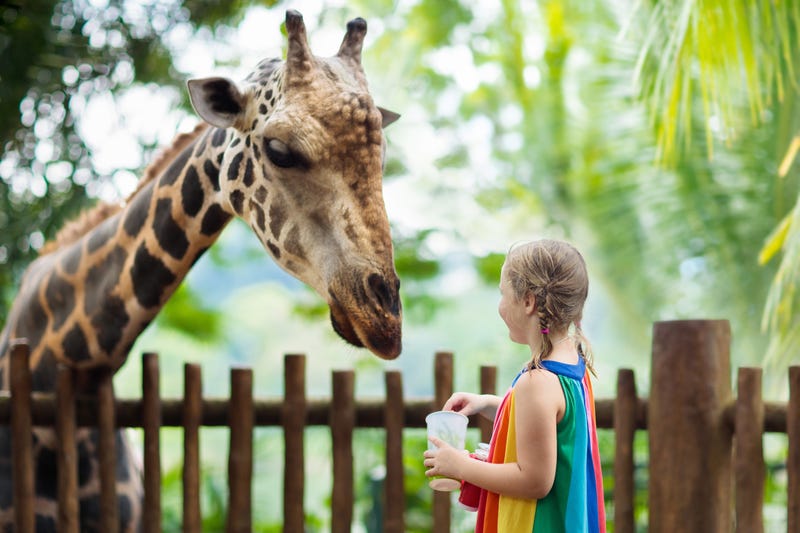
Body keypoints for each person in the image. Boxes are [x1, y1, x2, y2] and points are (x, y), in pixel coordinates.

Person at [423, 238, 606, 533]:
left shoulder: (537, 382)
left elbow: (534, 480)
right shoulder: (571, 362)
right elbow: (550, 431)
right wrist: (489, 403)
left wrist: (460, 466)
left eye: (502, 294)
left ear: (528, 301)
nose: (500, 305)